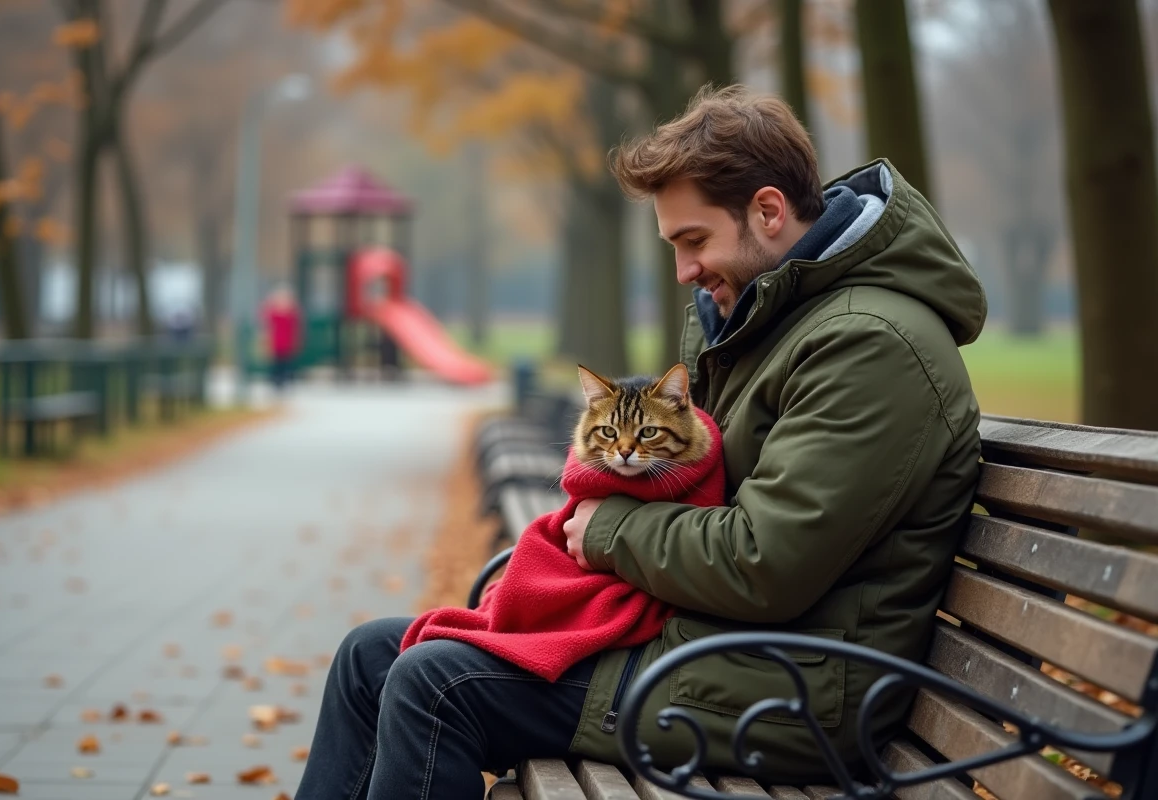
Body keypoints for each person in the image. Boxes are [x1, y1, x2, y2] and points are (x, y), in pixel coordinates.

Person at [295, 85, 986, 799]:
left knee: (434, 684)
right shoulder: (765, 316)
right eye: (674, 246)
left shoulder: (869, 346)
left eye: (694, 241)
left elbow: (765, 563)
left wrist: (608, 530)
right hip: (700, 642)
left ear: (769, 211)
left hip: (788, 690)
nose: (684, 270)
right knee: (368, 657)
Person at [262, 284, 301, 391]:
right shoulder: (274, 312)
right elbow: (266, 323)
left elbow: (295, 328)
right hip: (276, 342)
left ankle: (284, 381)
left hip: (287, 342)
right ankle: (276, 381)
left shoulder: (291, 313)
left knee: (286, 363)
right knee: (276, 363)